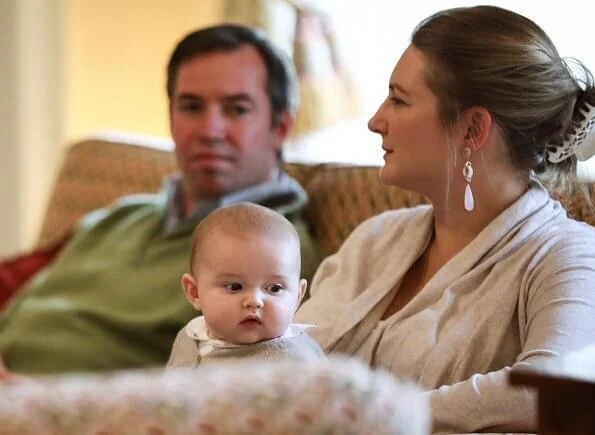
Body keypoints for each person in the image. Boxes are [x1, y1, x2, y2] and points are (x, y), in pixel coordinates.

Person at [296, 5, 595, 434]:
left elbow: (554, 389)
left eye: (398, 99)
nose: (375, 121)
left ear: (472, 129)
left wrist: (379, 414)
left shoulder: (567, 256)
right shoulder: (372, 238)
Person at [0, 24, 321, 374]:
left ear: (282, 126)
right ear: (170, 117)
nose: (209, 130)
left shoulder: (274, 255)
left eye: (236, 109)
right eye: (191, 107)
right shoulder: (121, 215)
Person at [167, 203, 324, 368]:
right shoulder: (189, 337)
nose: (254, 301)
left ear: (298, 296)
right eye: (235, 287)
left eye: (274, 288)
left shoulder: (298, 363)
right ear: (194, 292)